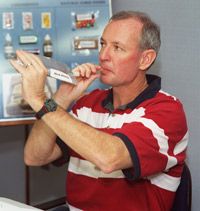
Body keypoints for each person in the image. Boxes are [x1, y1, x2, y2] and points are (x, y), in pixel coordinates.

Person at [10, 11, 188, 211]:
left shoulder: (167, 111)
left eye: (117, 48)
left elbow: (109, 158)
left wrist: (41, 101)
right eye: (103, 44)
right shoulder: (87, 104)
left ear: (145, 59)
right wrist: (61, 99)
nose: (103, 56)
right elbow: (35, 156)